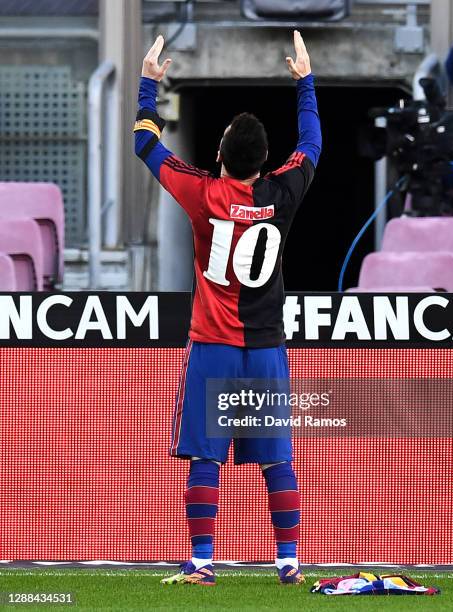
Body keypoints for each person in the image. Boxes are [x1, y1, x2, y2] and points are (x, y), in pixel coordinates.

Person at [134, 30, 321, 586]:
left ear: (218, 156)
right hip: (265, 351)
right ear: (266, 163)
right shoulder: (284, 193)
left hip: (213, 347)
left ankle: (201, 560)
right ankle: (288, 562)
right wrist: (304, 83)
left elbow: (146, 144)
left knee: (205, 457)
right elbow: (311, 144)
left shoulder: (202, 193)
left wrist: (149, 83)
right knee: (275, 458)